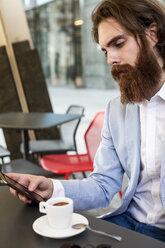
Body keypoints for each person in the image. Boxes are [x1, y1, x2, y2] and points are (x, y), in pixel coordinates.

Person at [8, 0, 165, 242]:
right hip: (128, 223)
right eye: (105, 51)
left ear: (152, 33)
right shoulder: (117, 110)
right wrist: (51, 188)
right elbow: (103, 185)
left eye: (118, 44)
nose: (110, 60)